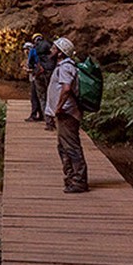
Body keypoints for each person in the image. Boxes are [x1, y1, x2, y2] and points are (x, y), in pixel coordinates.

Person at [44, 36, 88, 193]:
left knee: (71, 147)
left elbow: (67, 88)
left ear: (61, 53)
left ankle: (79, 181)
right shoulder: (63, 66)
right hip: (65, 113)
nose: (51, 50)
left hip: (67, 113)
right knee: (64, 146)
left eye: (54, 48)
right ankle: (71, 177)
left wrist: (58, 107)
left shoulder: (65, 67)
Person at [31, 34, 56, 130]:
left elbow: (31, 62)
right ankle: (54, 119)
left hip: (40, 73)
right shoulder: (50, 50)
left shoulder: (35, 49)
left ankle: (48, 122)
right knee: (52, 96)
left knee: (42, 98)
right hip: (51, 74)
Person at [24, 42, 42, 121]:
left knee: (34, 97)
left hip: (35, 79)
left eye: (26, 49)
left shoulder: (33, 56)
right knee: (38, 97)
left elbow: (36, 68)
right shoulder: (36, 56)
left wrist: (29, 70)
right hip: (35, 78)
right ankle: (41, 114)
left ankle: (34, 115)